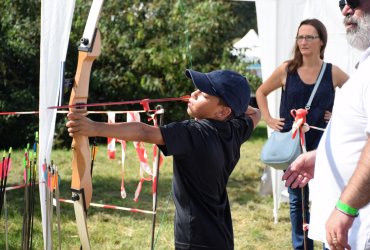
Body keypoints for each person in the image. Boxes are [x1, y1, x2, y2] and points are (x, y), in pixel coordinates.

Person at [66, 69, 261, 250]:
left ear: (223, 112)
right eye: (197, 89)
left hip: (195, 238)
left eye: (204, 95)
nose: (193, 95)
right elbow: (255, 113)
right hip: (221, 235)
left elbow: (144, 131)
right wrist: (234, 104)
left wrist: (93, 128)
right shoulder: (235, 130)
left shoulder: (193, 133)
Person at [282, 1, 370, 249]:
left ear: (322, 41)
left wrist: (345, 208)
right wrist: (321, 157)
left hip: (358, 229)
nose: (345, 9)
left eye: (353, 0)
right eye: (341, 2)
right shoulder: (365, 63)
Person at [256, 18, 348, 250]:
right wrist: (268, 118)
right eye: (300, 37)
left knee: (327, 196)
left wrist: (337, 115)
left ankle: (329, 244)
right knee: (297, 200)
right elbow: (261, 92)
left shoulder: (332, 72)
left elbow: (357, 96)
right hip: (293, 145)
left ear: (321, 42)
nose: (303, 42)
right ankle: (302, 246)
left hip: (324, 145)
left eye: (309, 37)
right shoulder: (287, 69)